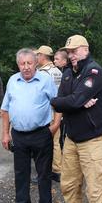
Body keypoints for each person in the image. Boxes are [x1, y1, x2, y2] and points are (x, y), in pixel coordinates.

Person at [51, 35, 102, 203]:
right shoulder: (68, 73)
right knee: (68, 185)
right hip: (71, 139)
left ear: (86, 49)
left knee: (95, 192)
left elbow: (71, 101)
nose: (71, 55)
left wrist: (74, 101)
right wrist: (77, 102)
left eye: (74, 51)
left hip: (93, 141)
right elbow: (59, 100)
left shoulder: (94, 72)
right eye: (68, 52)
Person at [1, 48, 60, 203]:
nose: (26, 67)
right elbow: (5, 109)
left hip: (41, 134)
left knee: (44, 174)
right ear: (18, 64)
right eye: (22, 63)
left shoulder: (45, 80)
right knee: (21, 173)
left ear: (35, 63)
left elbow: (58, 104)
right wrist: (5, 133)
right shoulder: (12, 80)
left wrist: (56, 125)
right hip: (18, 135)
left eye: (29, 63)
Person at [36, 45, 63, 182]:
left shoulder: (42, 73)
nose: (36, 57)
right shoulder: (57, 71)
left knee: (43, 143)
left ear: (42, 56)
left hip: (47, 113)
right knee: (56, 142)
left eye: (37, 55)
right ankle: (57, 170)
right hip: (58, 111)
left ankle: (44, 171)